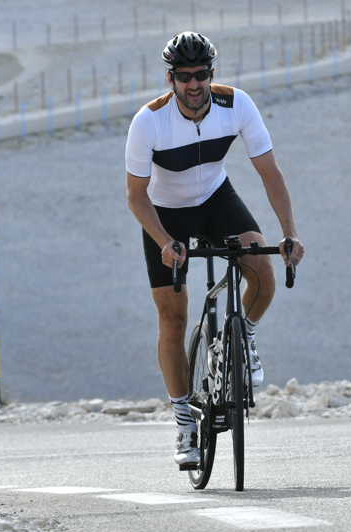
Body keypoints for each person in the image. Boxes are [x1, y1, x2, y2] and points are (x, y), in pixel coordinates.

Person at [125, 32, 304, 469]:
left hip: (217, 201)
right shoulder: (148, 121)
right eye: (184, 77)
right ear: (170, 78)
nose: (193, 84)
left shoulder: (236, 104)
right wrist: (165, 241)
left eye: (201, 75)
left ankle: (240, 340)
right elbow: (136, 196)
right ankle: (184, 420)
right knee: (174, 316)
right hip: (167, 216)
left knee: (262, 269)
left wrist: (289, 232)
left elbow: (269, 172)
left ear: (211, 74)